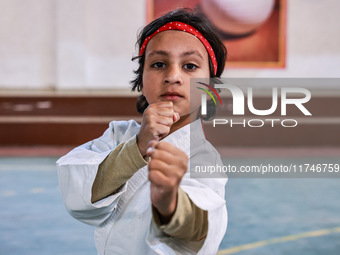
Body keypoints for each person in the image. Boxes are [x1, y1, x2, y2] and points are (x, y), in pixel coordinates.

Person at [57, 8, 228, 255]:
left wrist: (170, 202)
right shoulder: (119, 136)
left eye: (189, 66)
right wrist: (137, 148)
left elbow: (201, 232)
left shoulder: (204, 160)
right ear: (141, 77)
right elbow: (78, 195)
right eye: (159, 64)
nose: (173, 76)